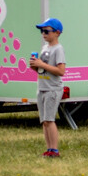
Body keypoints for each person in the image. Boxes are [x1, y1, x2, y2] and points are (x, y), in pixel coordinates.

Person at [30, 18, 66, 157]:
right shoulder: (45, 48)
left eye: (46, 31)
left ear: (57, 33)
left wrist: (42, 64)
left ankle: (55, 149)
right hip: (42, 87)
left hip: (52, 89)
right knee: (44, 121)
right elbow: (43, 70)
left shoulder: (58, 49)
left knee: (50, 120)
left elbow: (61, 71)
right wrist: (35, 67)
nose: (43, 34)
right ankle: (49, 148)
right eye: (41, 31)